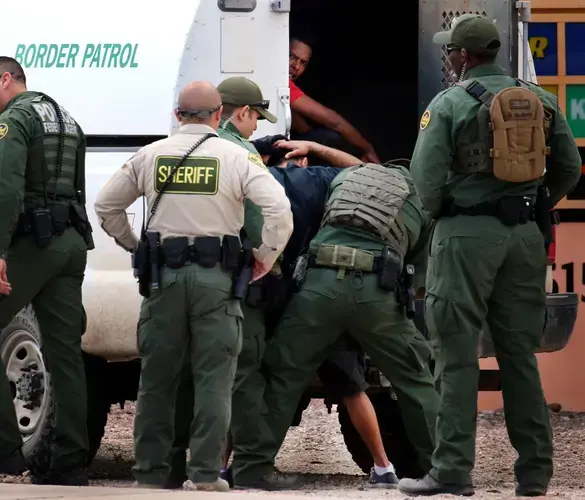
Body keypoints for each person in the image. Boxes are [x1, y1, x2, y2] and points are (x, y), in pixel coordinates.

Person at [397, 14, 582, 498]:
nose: (449, 58)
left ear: (462, 56)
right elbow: (570, 166)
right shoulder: (540, 101)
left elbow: (426, 180)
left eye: (451, 52)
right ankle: (535, 475)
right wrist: (535, 204)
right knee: (519, 354)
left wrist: (445, 219)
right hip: (524, 238)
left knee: (455, 353)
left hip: (464, 237)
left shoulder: (450, 103)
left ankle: (453, 470)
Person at [93, 80, 293, 492]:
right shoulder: (237, 157)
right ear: (219, 115)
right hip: (217, 284)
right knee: (214, 381)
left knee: (157, 381)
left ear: (178, 116)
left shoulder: (150, 155)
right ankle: (204, 475)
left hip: (163, 281)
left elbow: (106, 206)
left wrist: (136, 246)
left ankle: (150, 474)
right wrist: (265, 257)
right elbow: (280, 211)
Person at [234, 159, 440, 491]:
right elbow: (417, 272)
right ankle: (441, 468)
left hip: (318, 286)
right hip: (377, 291)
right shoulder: (418, 196)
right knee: (415, 379)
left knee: (282, 374)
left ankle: (252, 466)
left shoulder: (346, 178)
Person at [0, 56, 93, 485]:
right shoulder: (67, 118)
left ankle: (4, 450)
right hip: (70, 242)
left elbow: (6, 186)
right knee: (64, 352)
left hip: (32, 244)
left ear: (5, 79)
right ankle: (69, 461)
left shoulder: (15, 119)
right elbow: (77, 187)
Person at [288, 35, 380, 163]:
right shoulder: (284, 85)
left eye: (303, 63)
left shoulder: (286, 88)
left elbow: (302, 128)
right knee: (330, 138)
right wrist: (367, 148)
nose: (297, 67)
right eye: (292, 56)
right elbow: (333, 120)